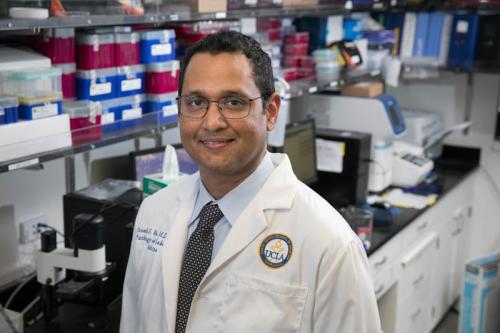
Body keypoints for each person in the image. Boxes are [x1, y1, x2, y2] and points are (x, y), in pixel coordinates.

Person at [120, 31, 381, 333]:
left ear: (270, 112)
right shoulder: (154, 211)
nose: (212, 122)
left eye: (233, 102)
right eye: (195, 102)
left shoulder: (330, 244)